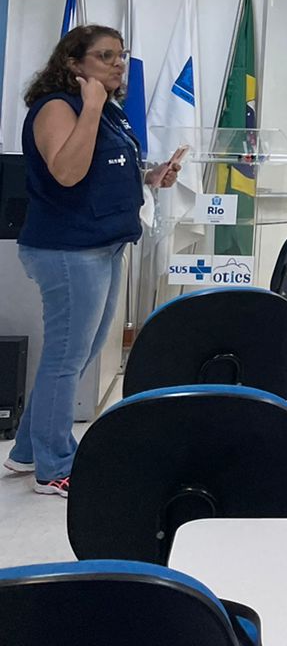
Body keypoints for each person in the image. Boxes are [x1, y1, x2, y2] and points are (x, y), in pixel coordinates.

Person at [2, 26, 183, 497]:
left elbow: (104, 168)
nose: (117, 64)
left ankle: (27, 452)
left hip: (104, 243)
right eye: (105, 56)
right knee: (66, 358)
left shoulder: (108, 112)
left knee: (79, 353)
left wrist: (152, 175)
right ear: (73, 62)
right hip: (66, 250)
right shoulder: (58, 108)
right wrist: (94, 106)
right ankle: (54, 467)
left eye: (120, 56)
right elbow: (66, 172)